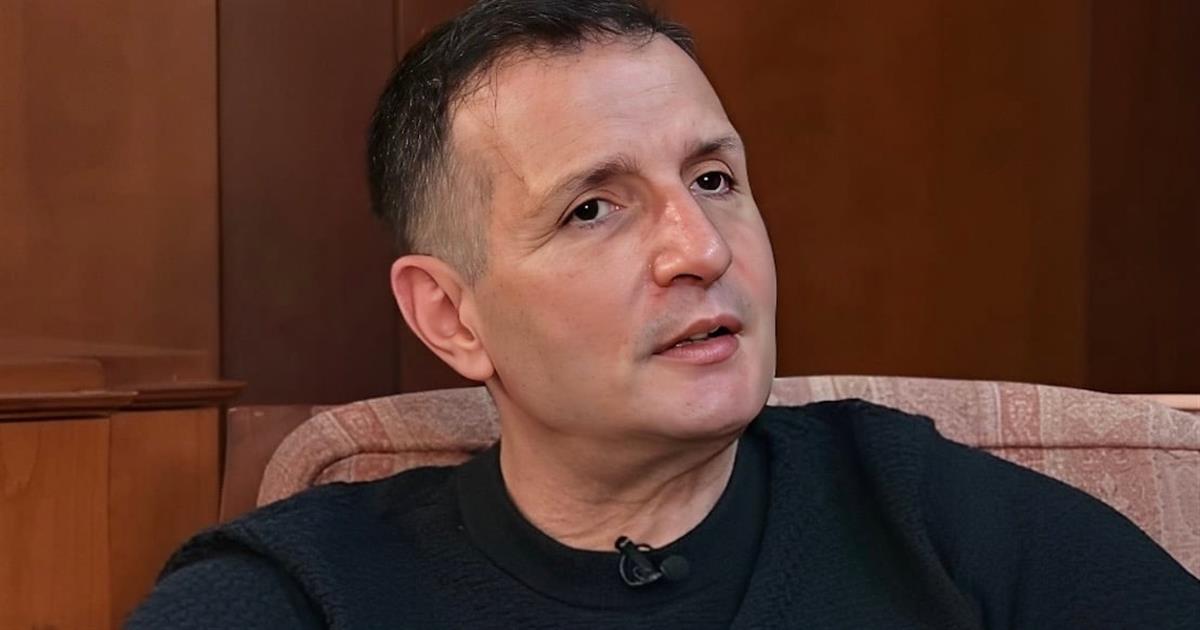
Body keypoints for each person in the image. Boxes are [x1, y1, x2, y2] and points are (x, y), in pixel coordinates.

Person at [129, 1, 1200, 627]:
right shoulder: (303, 594)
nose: (702, 249)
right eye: (593, 208)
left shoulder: (934, 517)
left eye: (714, 179)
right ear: (452, 317)